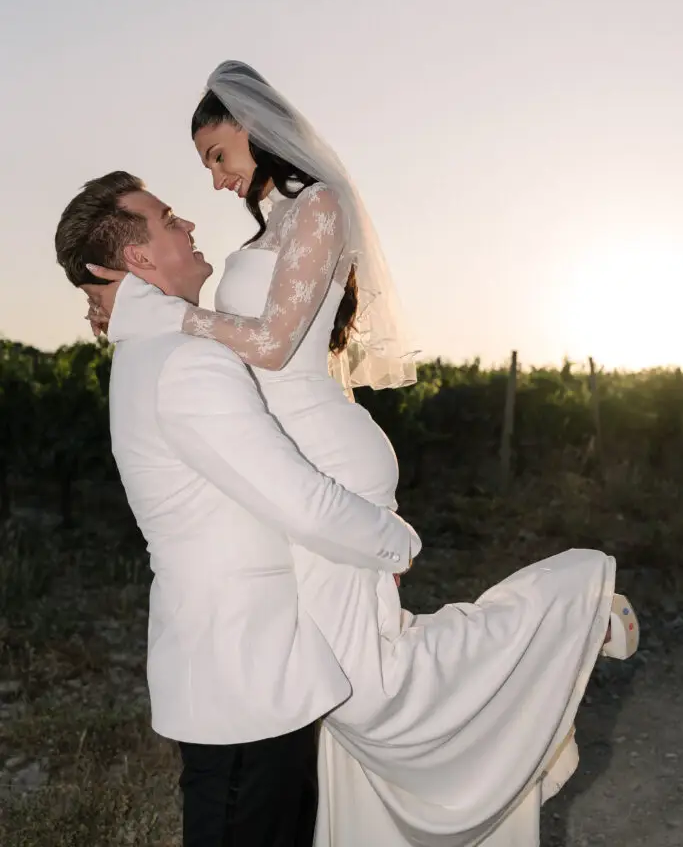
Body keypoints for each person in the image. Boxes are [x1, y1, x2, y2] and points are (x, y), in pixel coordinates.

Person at [84, 62, 639, 847]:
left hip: (327, 459)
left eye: (216, 154)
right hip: (294, 455)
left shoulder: (321, 206)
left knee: (365, 687)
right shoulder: (265, 230)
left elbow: (273, 345)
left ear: (254, 127)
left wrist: (168, 316)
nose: (213, 178)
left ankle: (574, 606)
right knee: (339, 679)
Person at [54, 171, 420, 847]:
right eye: (167, 218)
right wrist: (395, 544)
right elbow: (298, 500)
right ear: (137, 258)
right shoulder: (185, 362)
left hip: (249, 679)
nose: (188, 225)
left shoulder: (157, 352)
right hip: (243, 685)